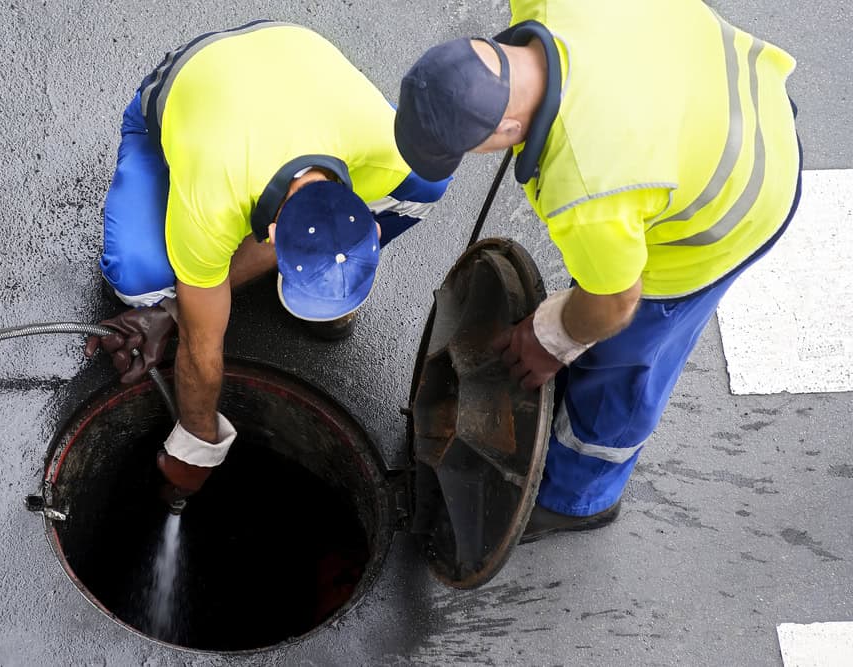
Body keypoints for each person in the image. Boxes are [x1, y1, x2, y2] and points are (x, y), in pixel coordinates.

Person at [394, 0, 801, 542]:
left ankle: (579, 498)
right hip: (734, 94)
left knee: (619, 357)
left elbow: (615, 303)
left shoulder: (589, 186)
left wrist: (552, 338)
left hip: (737, 195)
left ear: (511, 124)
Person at [84, 20, 450, 500]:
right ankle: (174, 287)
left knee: (425, 187)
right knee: (141, 283)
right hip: (191, 83)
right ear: (273, 235)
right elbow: (201, 342)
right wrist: (197, 445)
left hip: (289, 54)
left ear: (362, 211)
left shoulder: (392, 151)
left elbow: (428, 167)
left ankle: (313, 276)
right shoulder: (212, 201)